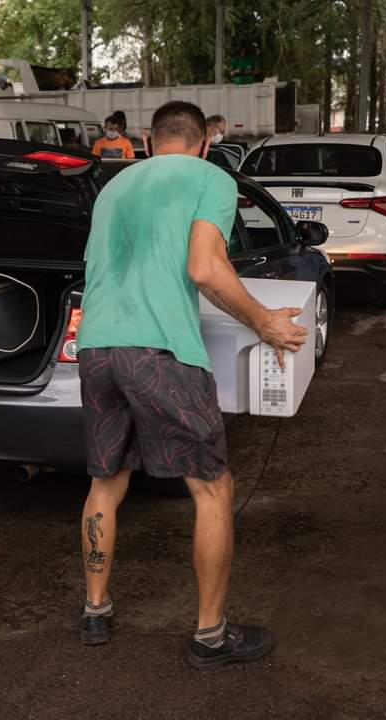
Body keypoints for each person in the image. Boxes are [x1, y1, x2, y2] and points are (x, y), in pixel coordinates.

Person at [74, 100, 309, 668]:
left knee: (106, 482)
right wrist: (264, 321)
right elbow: (204, 268)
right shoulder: (210, 178)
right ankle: (211, 637)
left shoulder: (113, 187)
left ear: (147, 143)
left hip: (96, 346)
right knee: (212, 489)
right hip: (160, 353)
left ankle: (95, 611)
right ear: (205, 144)